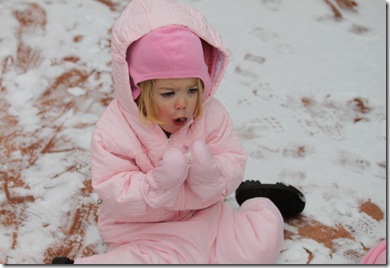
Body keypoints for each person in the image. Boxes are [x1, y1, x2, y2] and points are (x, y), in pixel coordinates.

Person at [51, 0, 305, 264]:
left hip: (206, 217)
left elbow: (233, 157)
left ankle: (259, 201)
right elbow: (113, 188)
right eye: (168, 93)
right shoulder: (114, 129)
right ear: (138, 90)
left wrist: (212, 176)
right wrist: (155, 186)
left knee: (257, 251)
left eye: (192, 90)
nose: (183, 103)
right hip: (144, 229)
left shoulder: (212, 114)